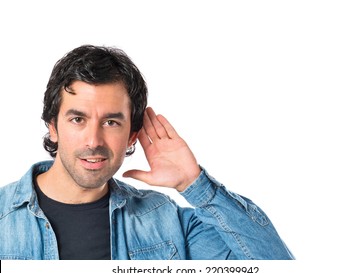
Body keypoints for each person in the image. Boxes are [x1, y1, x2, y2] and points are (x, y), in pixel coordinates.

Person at [0, 45, 294, 260]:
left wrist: (196, 185)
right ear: (53, 126)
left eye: (111, 122)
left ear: (132, 135)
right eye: (78, 119)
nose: (94, 139)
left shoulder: (166, 221)